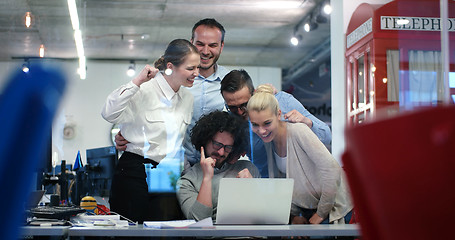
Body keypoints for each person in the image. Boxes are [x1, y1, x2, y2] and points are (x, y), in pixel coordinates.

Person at [101, 39, 200, 223]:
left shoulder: (187, 98)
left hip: (168, 171)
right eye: (190, 68)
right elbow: (108, 113)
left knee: (167, 230)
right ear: (170, 66)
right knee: (131, 232)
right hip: (135, 170)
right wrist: (137, 81)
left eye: (197, 68)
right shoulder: (144, 88)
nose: (196, 73)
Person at [115, 18, 230, 169]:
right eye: (200, 44)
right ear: (191, 44)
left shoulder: (230, 82)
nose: (206, 51)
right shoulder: (171, 80)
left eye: (213, 45)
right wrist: (128, 134)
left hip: (217, 166)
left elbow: (242, 120)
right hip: (177, 166)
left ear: (221, 46)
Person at [247, 84, 352, 224]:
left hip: (336, 205)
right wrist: (295, 214)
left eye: (267, 123)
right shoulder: (268, 141)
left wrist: (321, 213)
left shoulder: (298, 131)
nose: (261, 131)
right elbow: (284, 182)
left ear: (279, 114)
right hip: (311, 207)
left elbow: (331, 169)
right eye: (255, 125)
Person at [220, 69, 332, 177]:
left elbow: (326, 136)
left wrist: (307, 122)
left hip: (307, 184)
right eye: (232, 108)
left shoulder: (282, 102)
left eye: (244, 105)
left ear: (253, 94)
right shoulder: (232, 123)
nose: (240, 112)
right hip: (267, 188)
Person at [177, 110, 261, 221]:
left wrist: (253, 187)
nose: (221, 152)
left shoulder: (247, 169)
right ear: (205, 140)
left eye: (227, 147)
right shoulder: (188, 181)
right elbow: (200, 223)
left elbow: (265, 215)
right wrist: (207, 178)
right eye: (217, 144)